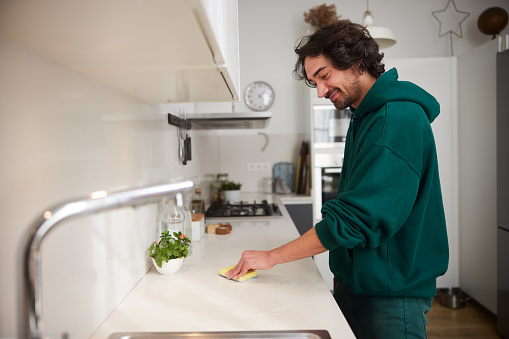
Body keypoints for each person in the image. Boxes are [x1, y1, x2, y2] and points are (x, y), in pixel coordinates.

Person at [227, 19, 449, 339]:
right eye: (314, 81)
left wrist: (271, 257)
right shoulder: (365, 116)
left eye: (324, 76)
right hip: (358, 283)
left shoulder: (395, 119)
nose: (319, 91)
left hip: (390, 294)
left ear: (357, 64)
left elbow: (355, 220)